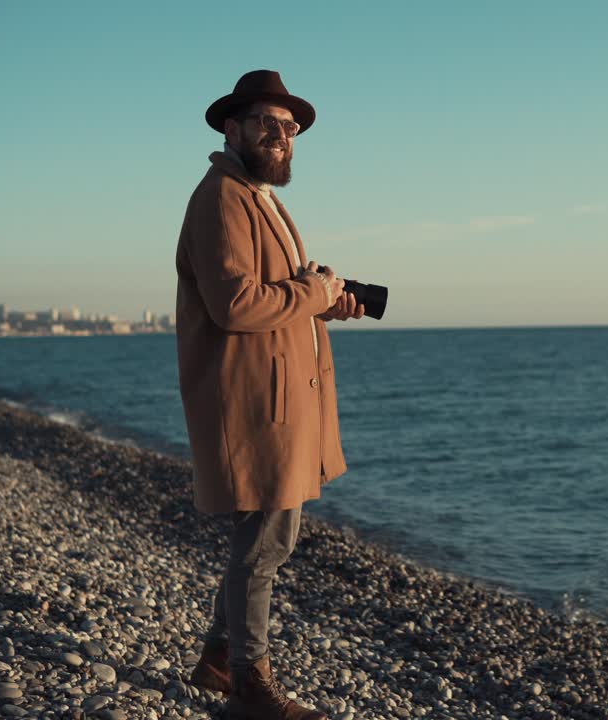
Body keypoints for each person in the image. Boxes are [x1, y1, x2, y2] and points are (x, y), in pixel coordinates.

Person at [175, 69, 364, 720]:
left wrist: (325, 303)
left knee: (268, 542)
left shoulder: (255, 197)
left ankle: (218, 660)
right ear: (233, 127)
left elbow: (272, 301)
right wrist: (312, 293)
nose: (281, 136)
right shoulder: (221, 198)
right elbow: (234, 304)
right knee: (263, 548)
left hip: (278, 400)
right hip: (255, 405)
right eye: (267, 123)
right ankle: (251, 688)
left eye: (290, 128)